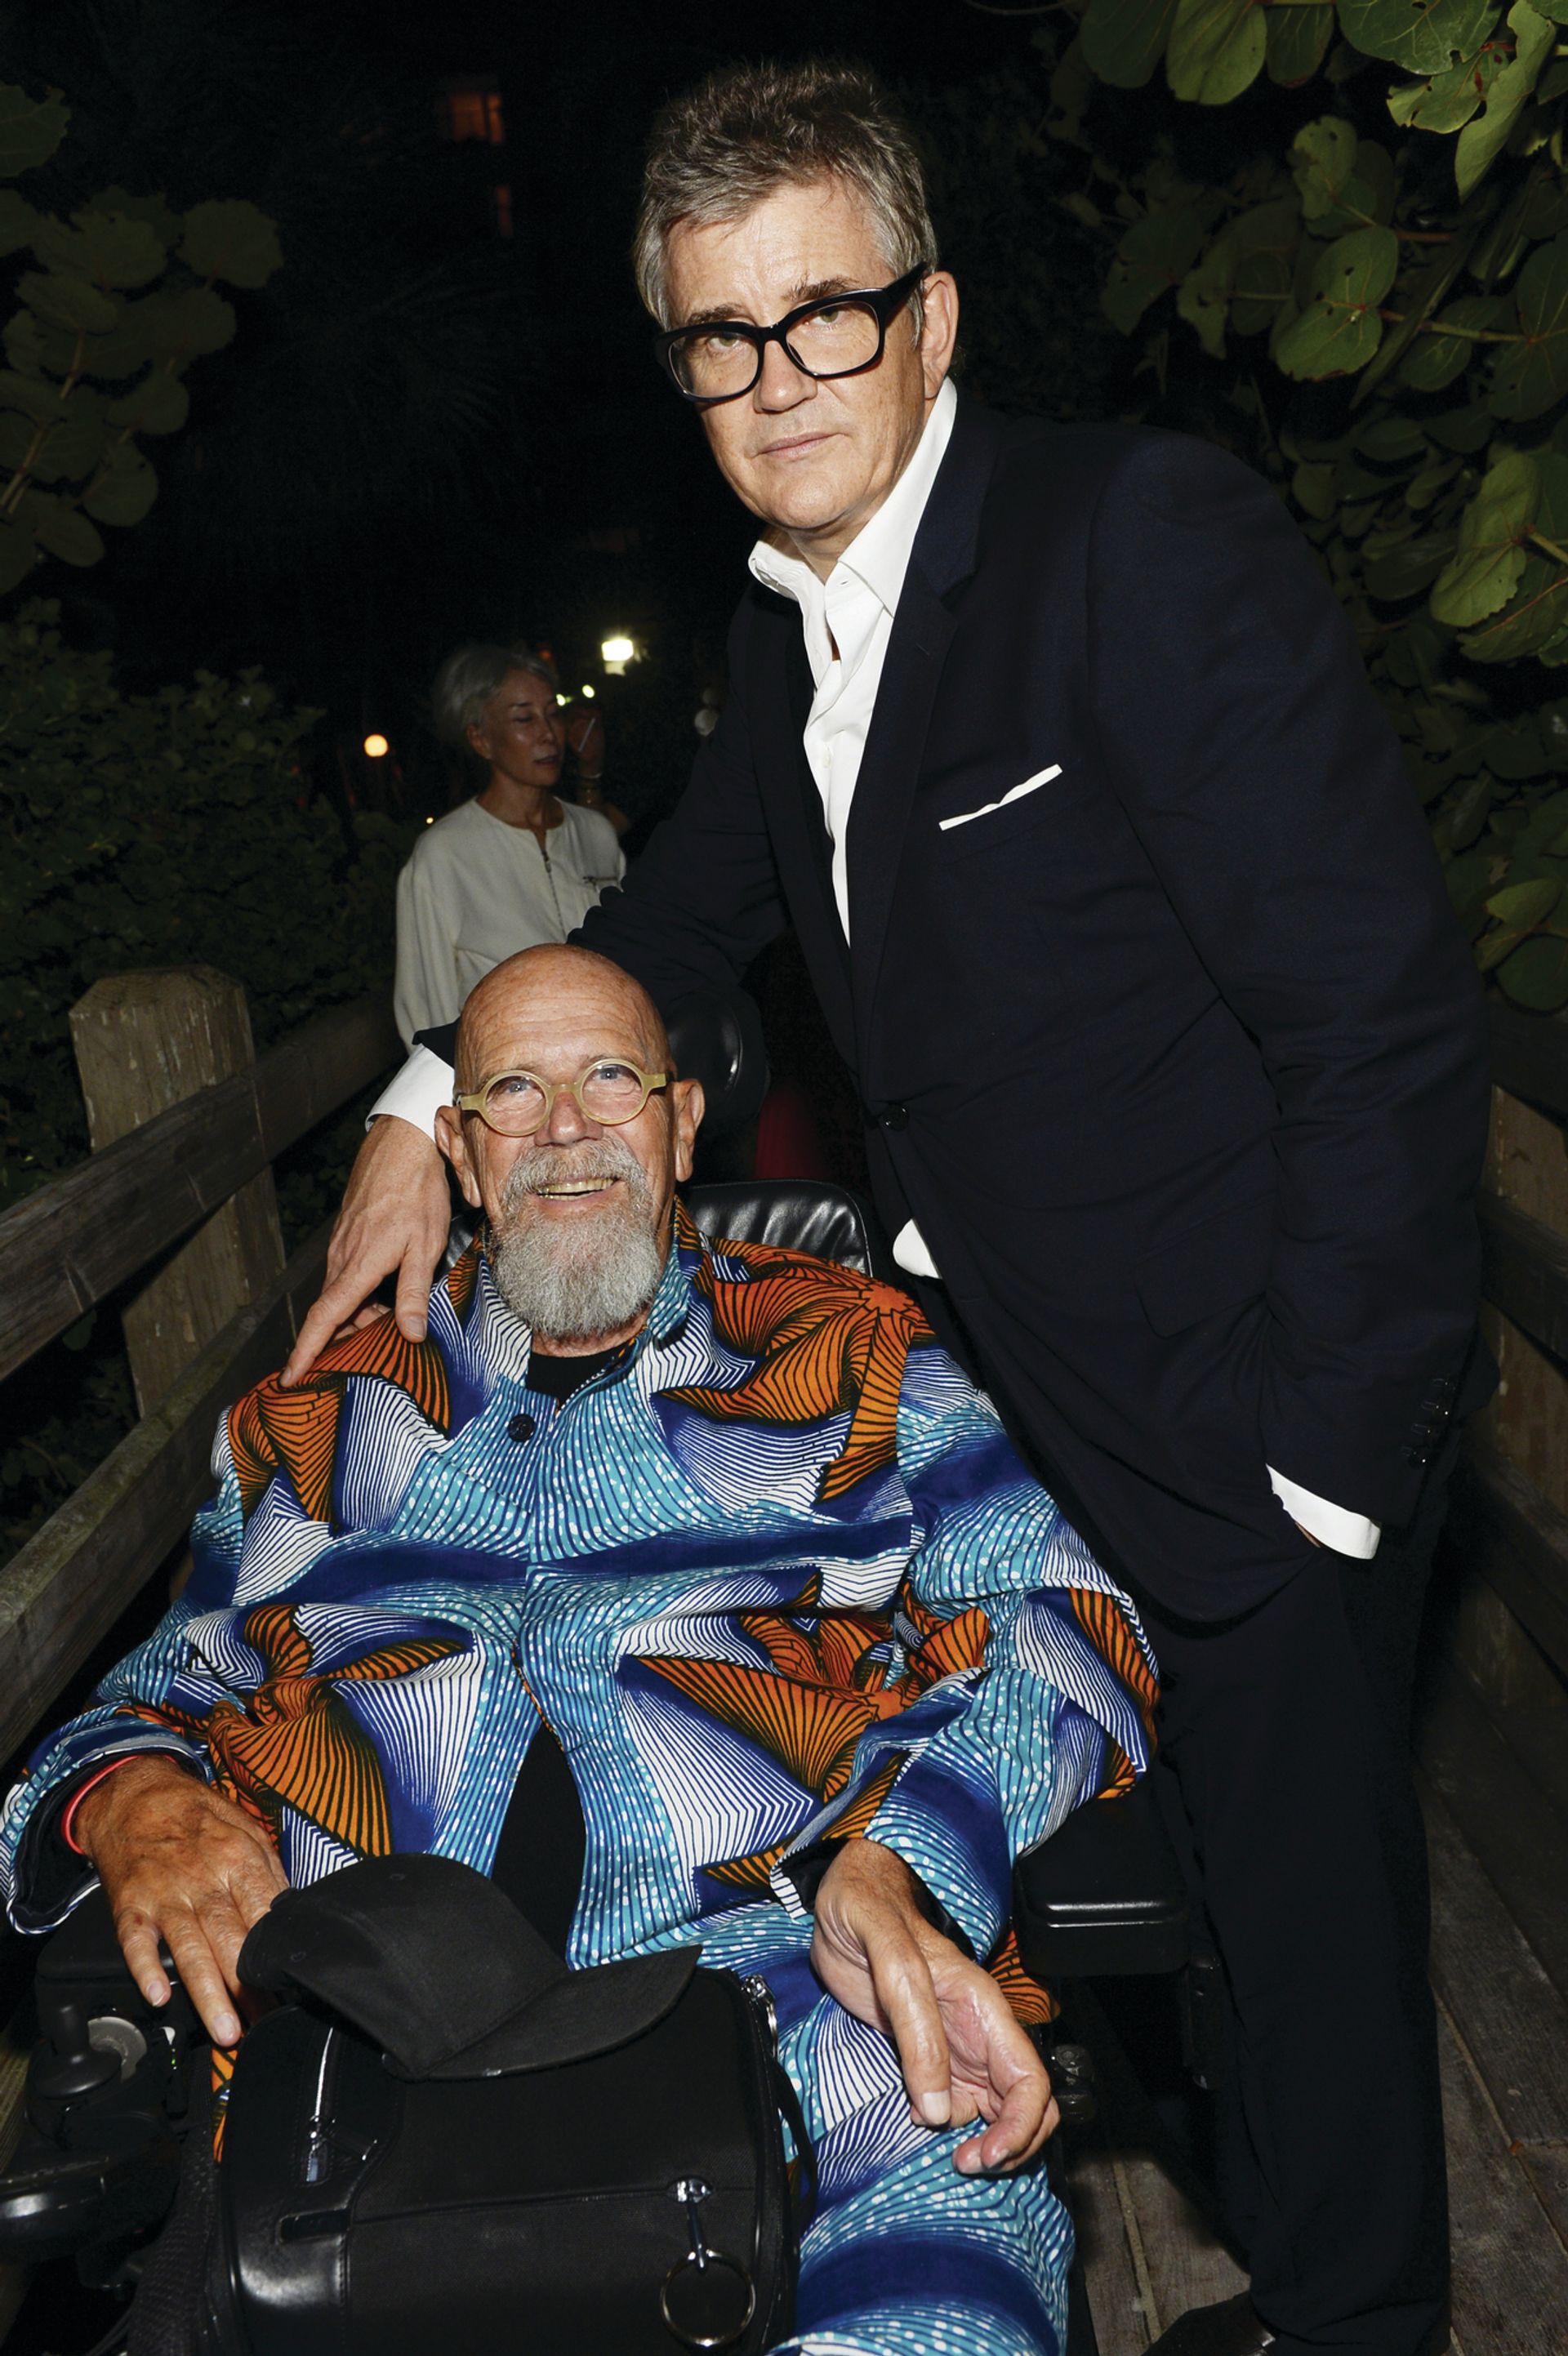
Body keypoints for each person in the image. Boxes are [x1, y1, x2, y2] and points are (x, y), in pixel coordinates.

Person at [283, 61, 1493, 2356]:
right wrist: (427, 1096)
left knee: (1312, 1921)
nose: (779, 376)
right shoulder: (781, 640)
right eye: (721, 336)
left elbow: (1381, 1018)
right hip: (1035, 1416)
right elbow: (676, 924)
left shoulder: (1132, 540)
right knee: (1197, 1914)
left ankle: (1360, 2315)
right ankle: (1291, 2278)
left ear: (930, 318)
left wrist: (1323, 1466)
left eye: (824, 313)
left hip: (1246, 1405)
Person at [0, 945, 1159, 2356]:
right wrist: (134, 1798)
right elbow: (150, 1697)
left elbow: (1069, 1619)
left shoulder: (850, 1349)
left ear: (683, 1124)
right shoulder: (312, 1422)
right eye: (515, 1091)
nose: (565, 1127)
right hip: (355, 2107)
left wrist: (901, 1863)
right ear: (461, 1152)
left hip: (811, 2029)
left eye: (612, 1077)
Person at [392, 645, 626, 1044]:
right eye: (524, 718)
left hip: (608, 1058)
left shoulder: (595, 833)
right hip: (505, 1073)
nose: (548, 734)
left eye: (553, 713)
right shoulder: (443, 855)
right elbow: (426, 1017)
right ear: (480, 739)